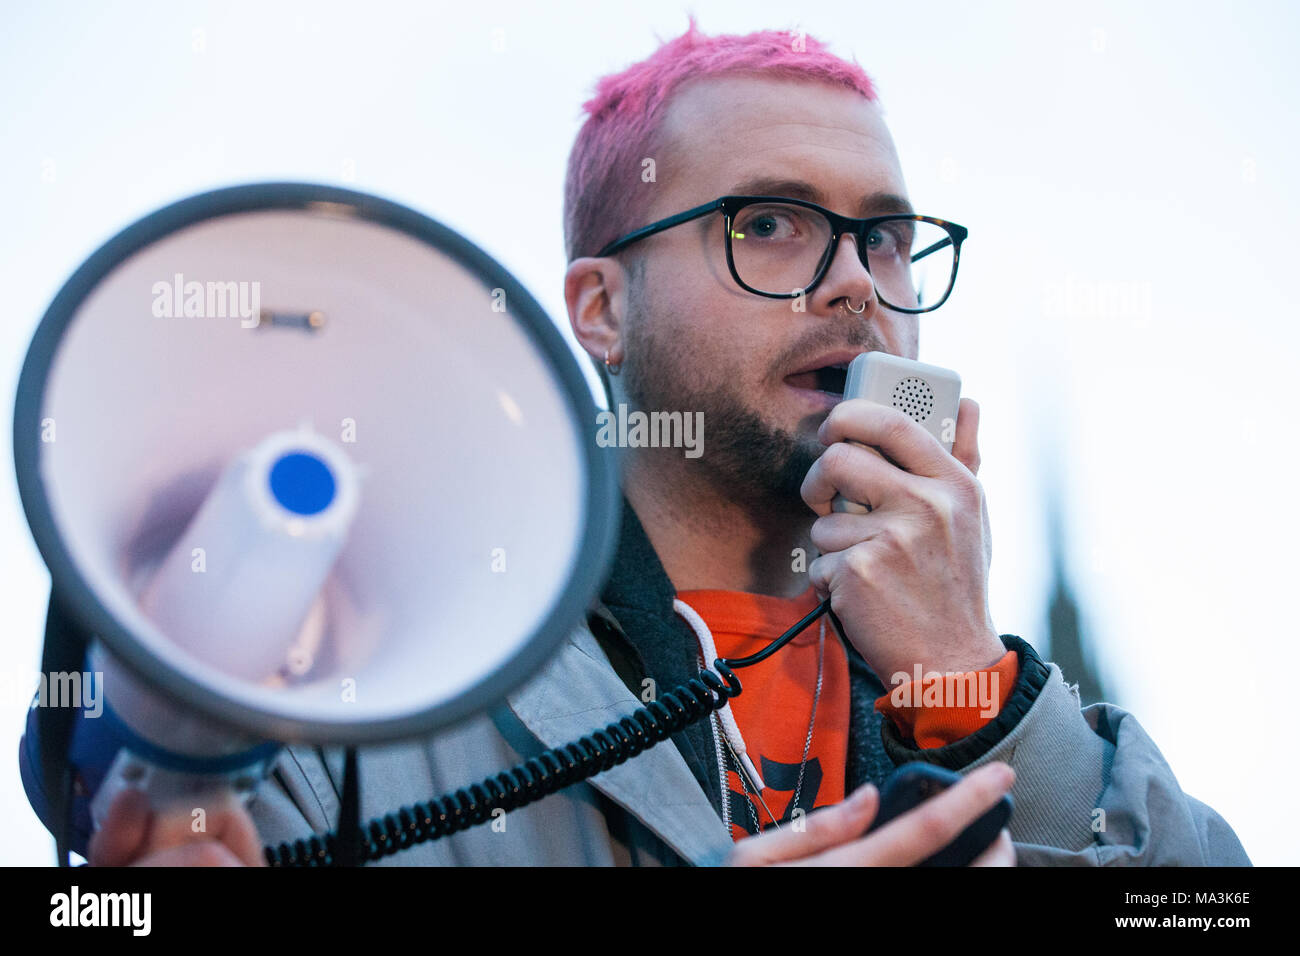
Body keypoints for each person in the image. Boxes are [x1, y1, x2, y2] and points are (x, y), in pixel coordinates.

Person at [79, 20, 1247, 867]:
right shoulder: (362, 685)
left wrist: (975, 692)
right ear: (600, 310)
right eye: (771, 224)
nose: (854, 282)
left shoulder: (993, 694)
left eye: (886, 237)